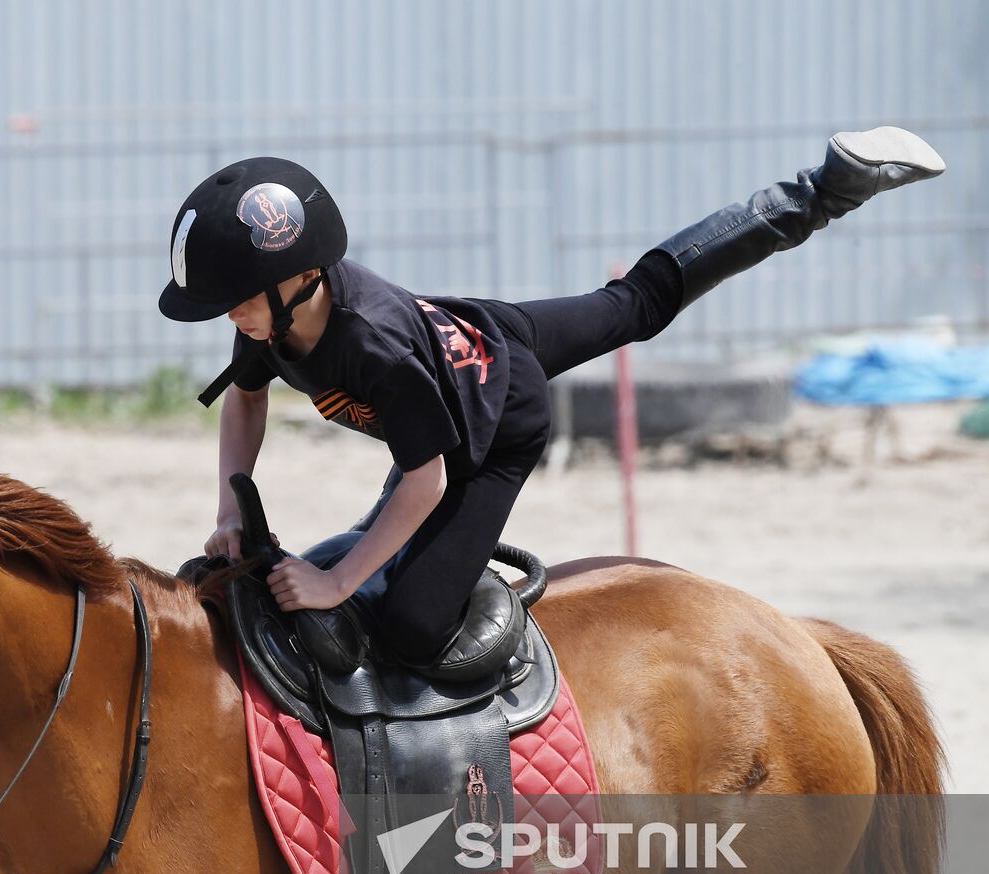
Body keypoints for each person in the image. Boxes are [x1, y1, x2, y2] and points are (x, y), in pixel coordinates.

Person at [159, 128, 945, 668]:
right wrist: (233, 506)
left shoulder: (374, 347)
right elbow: (246, 400)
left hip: (494, 433)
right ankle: (825, 188)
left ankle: (826, 188)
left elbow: (426, 480)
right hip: (478, 338)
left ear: (302, 278)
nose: (231, 317)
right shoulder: (268, 319)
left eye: (238, 300)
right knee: (631, 305)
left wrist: (334, 583)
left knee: (409, 625)